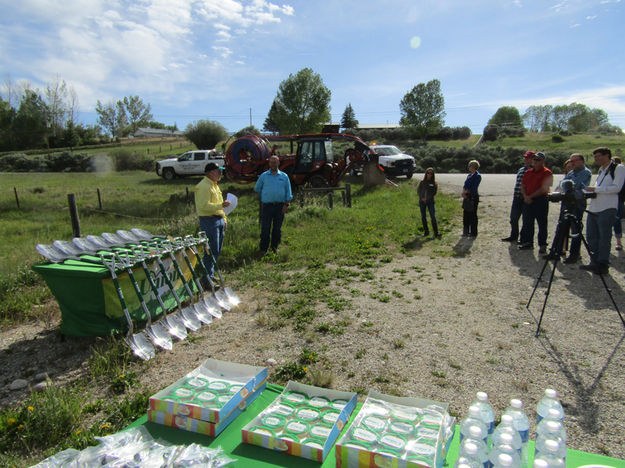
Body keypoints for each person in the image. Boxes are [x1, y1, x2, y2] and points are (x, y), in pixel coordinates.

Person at [581, 147, 625, 274]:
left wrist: (595, 189)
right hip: (594, 207)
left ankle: (603, 263)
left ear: (607, 156)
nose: (596, 159)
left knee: (604, 237)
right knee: (591, 236)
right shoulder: (601, 170)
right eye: (595, 157)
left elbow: (616, 188)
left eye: (598, 156)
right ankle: (594, 261)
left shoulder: (618, 168)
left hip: (608, 207)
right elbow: (598, 187)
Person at [549, 154, 591, 263]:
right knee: (561, 226)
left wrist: (566, 188)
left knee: (575, 228)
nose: (572, 163)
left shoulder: (585, 172)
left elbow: (575, 186)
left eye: (574, 161)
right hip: (566, 202)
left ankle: (574, 254)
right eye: (571, 161)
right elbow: (561, 185)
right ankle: (555, 252)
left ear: (581, 161)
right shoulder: (572, 172)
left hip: (577, 203)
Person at [193, 162, 231, 283]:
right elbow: (203, 206)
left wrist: (224, 218)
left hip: (218, 219)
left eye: (221, 171)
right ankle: (206, 279)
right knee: (210, 251)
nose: (220, 173)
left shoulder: (214, 185)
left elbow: (220, 204)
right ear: (209, 172)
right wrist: (221, 205)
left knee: (216, 250)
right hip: (209, 221)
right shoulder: (204, 186)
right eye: (217, 171)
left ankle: (210, 274)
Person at [254, 155, 293, 254]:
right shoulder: (263, 176)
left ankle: (274, 248)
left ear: (278, 163)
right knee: (265, 228)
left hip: (280, 206)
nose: (273, 164)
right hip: (267, 206)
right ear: (269, 163)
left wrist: (286, 205)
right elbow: (257, 188)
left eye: (275, 162)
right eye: (271, 162)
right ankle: (263, 249)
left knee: (277, 229)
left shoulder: (284, 176)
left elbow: (288, 192)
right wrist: (266, 194)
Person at [518, 152, 553, 253]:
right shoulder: (528, 172)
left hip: (540, 200)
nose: (535, 161)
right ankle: (527, 242)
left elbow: (544, 188)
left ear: (543, 161)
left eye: (538, 160)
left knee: (542, 223)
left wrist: (530, 196)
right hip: (528, 199)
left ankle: (542, 244)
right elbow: (523, 185)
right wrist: (525, 196)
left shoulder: (547, 172)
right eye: (534, 159)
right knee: (527, 222)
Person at [502, 151, 534, 243]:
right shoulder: (521, 169)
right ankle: (514, 236)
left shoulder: (533, 170)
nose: (525, 159)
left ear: (532, 159)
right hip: (517, 197)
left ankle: (524, 238)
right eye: (525, 158)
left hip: (526, 197)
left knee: (526, 220)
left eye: (528, 158)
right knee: (513, 218)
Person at [461, 160, 481, 237]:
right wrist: (463, 192)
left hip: (473, 197)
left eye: (471, 166)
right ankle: (465, 231)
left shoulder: (477, 176)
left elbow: (474, 187)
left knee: (473, 215)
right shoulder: (469, 175)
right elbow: (465, 185)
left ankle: (473, 232)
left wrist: (466, 192)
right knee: (466, 214)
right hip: (466, 196)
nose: (470, 167)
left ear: (475, 167)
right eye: (470, 166)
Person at [417, 168, 439, 237]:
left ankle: (436, 233)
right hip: (422, 202)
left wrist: (427, 198)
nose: (429, 175)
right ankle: (426, 232)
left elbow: (434, 193)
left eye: (431, 173)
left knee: (433, 216)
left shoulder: (434, 183)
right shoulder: (422, 182)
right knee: (423, 217)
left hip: (430, 202)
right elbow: (419, 191)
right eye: (428, 173)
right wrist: (422, 198)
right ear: (426, 174)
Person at [612, 157, 624, 251]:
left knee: (616, 220)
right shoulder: (607, 173)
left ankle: (618, 242)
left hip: (619, 200)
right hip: (610, 199)